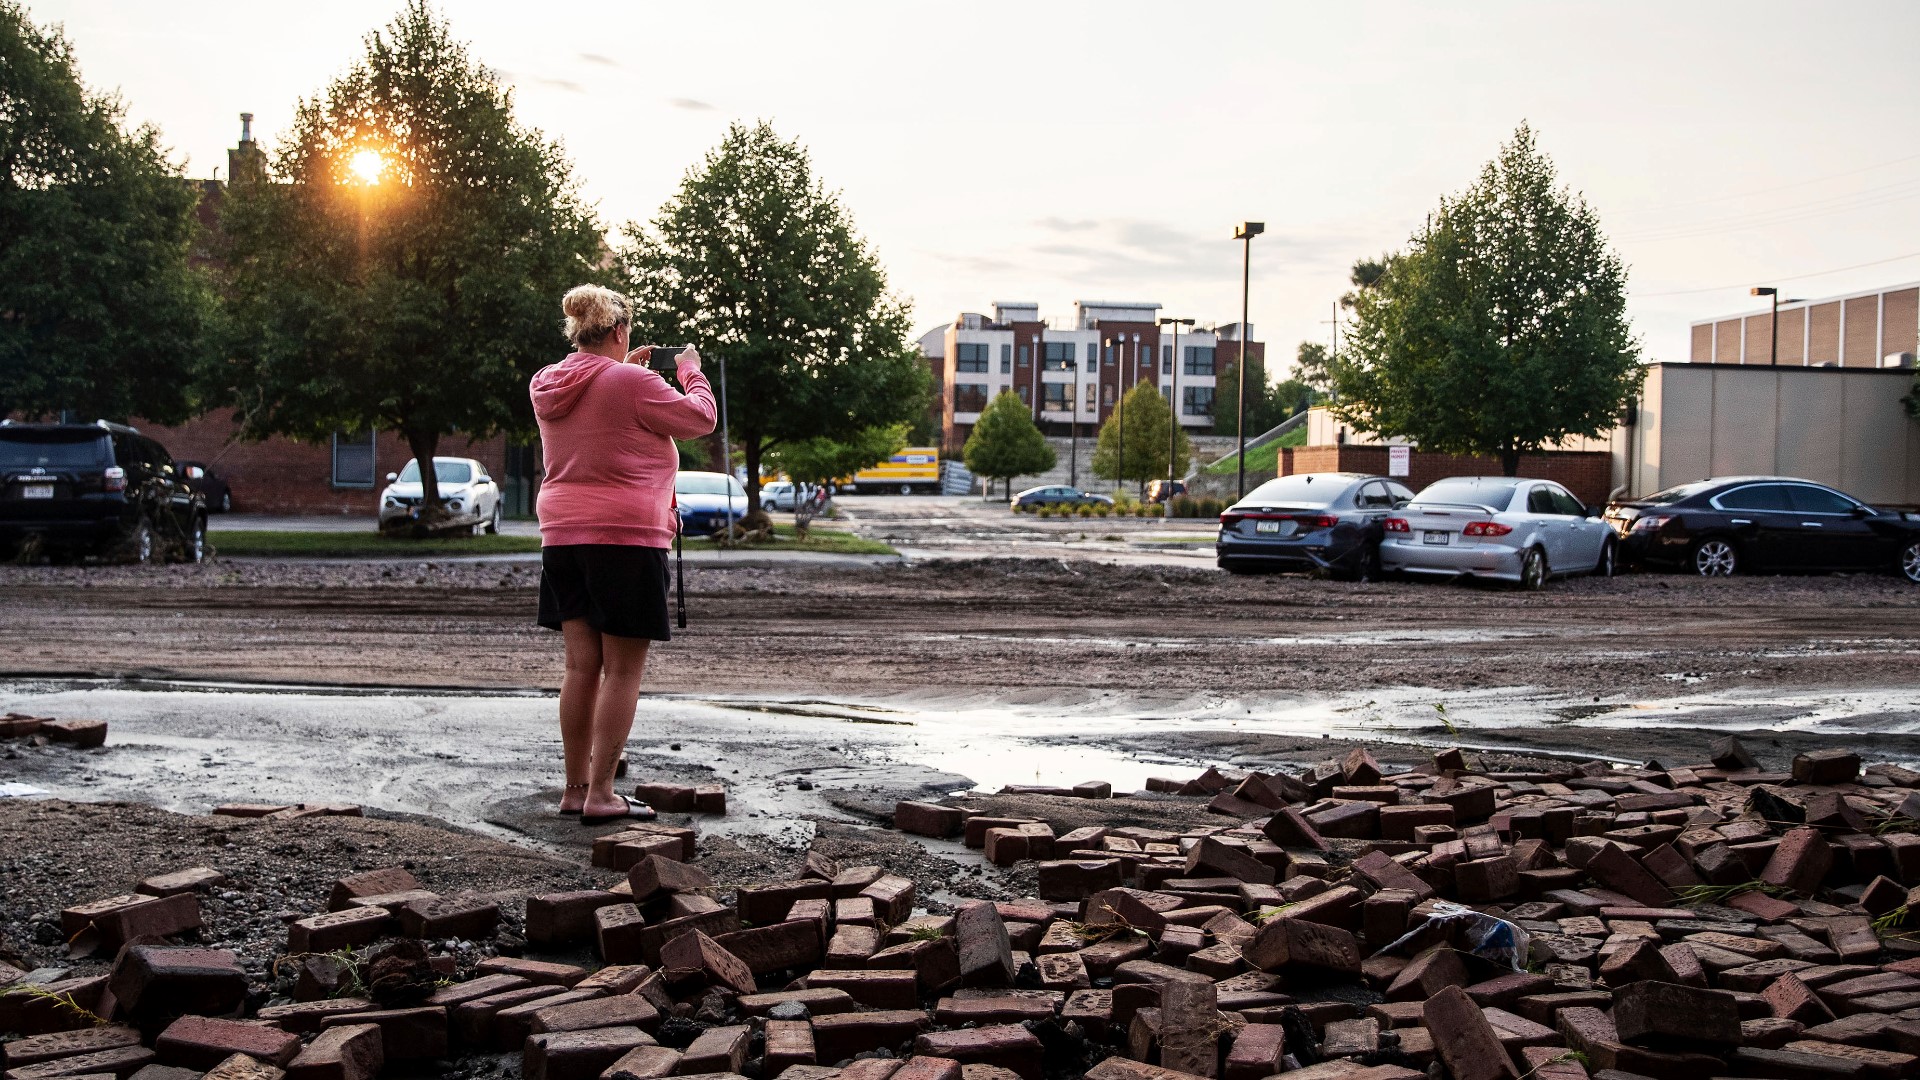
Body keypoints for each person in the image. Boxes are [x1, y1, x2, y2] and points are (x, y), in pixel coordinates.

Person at [529, 285, 716, 824]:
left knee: (580, 667)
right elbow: (700, 418)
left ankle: (574, 789)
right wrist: (689, 370)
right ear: (619, 330)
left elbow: (601, 412)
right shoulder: (632, 383)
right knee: (622, 672)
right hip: (625, 539)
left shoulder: (547, 381)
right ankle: (603, 794)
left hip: (562, 536)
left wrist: (628, 372)